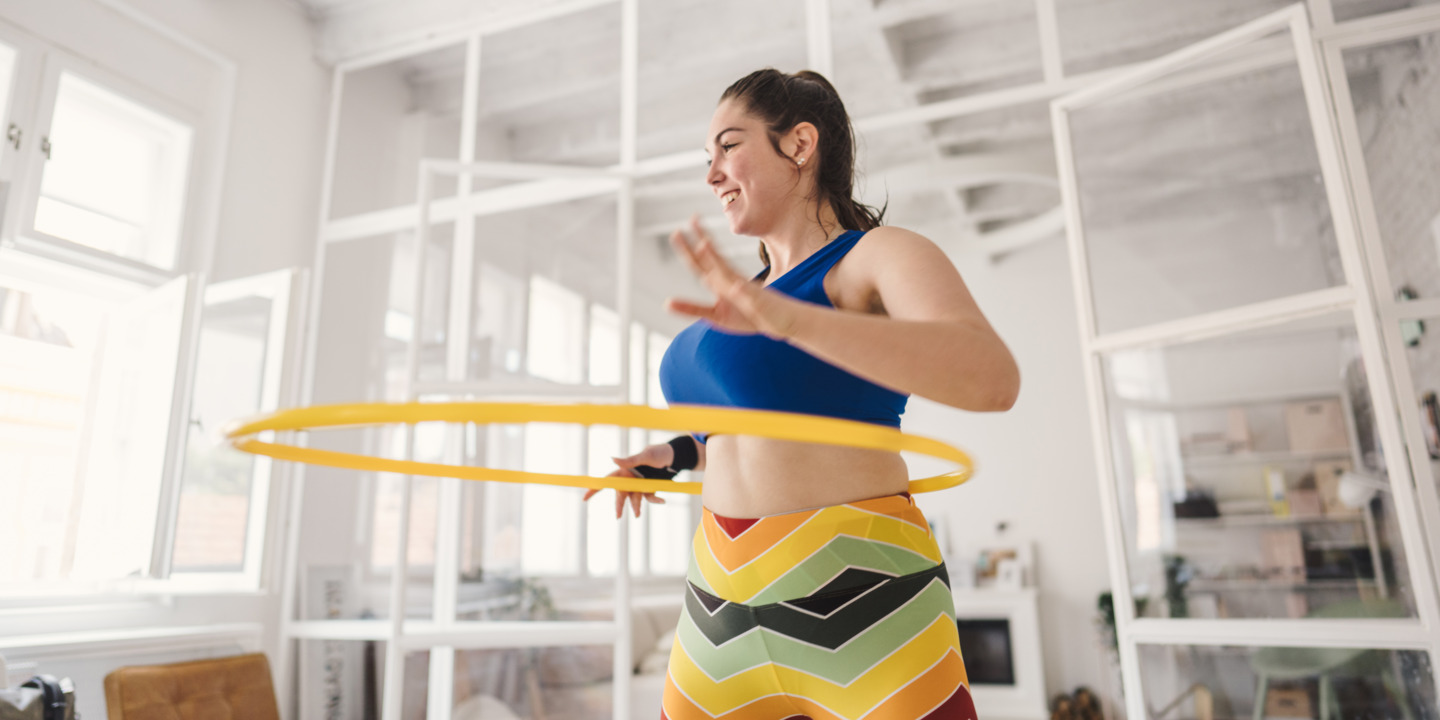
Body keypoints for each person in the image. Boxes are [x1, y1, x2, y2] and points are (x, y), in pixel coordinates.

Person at [583, 68, 1020, 720]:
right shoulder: (743, 301)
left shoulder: (871, 258)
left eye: (729, 146)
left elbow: (992, 378)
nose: (712, 174)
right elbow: (753, 424)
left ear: (799, 145)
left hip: (864, 592)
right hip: (720, 604)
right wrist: (672, 455)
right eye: (707, 158)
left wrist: (791, 320)